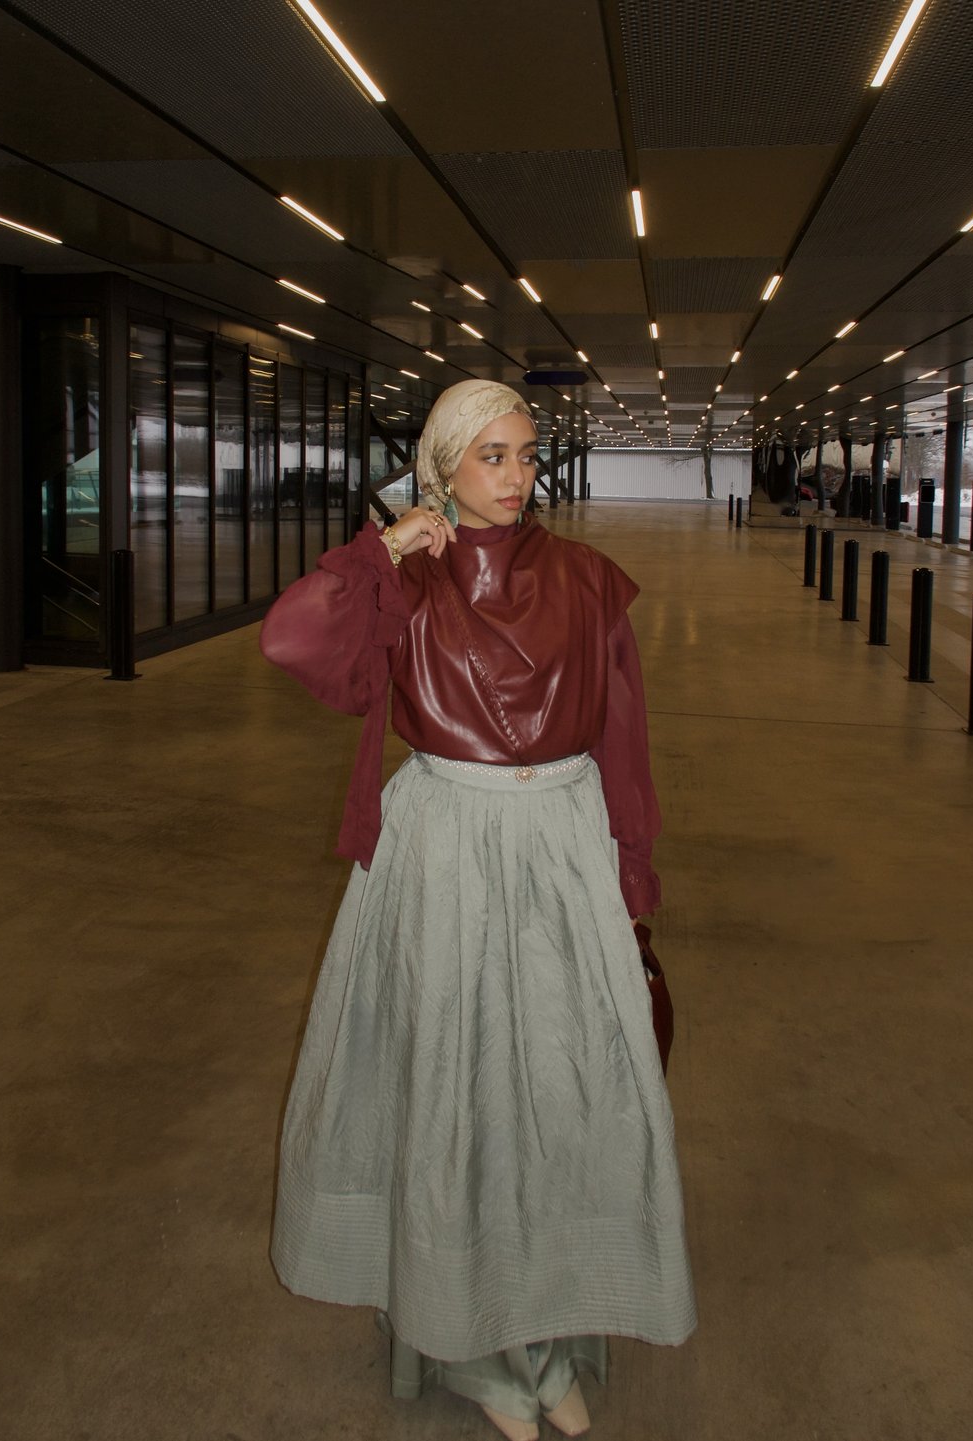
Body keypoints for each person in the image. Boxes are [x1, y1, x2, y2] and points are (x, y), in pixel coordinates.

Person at [261, 379, 696, 1440]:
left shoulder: (586, 578)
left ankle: (542, 1333)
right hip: (446, 846)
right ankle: (474, 1348)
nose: (516, 476)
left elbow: (622, 739)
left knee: (555, 1090)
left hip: (560, 843)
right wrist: (380, 551)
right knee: (453, 1086)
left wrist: (630, 872)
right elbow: (292, 641)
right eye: (491, 455)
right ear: (441, 466)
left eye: (527, 454)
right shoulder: (407, 580)